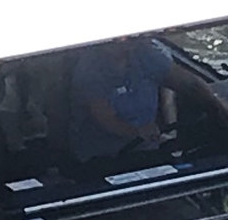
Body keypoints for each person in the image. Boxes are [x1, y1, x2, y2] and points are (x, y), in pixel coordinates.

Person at [68, 34, 175, 169]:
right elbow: (105, 117)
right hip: (103, 157)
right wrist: (138, 132)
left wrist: (210, 104)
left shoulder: (149, 52)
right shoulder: (89, 69)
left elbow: (187, 84)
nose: (128, 41)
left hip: (148, 148)